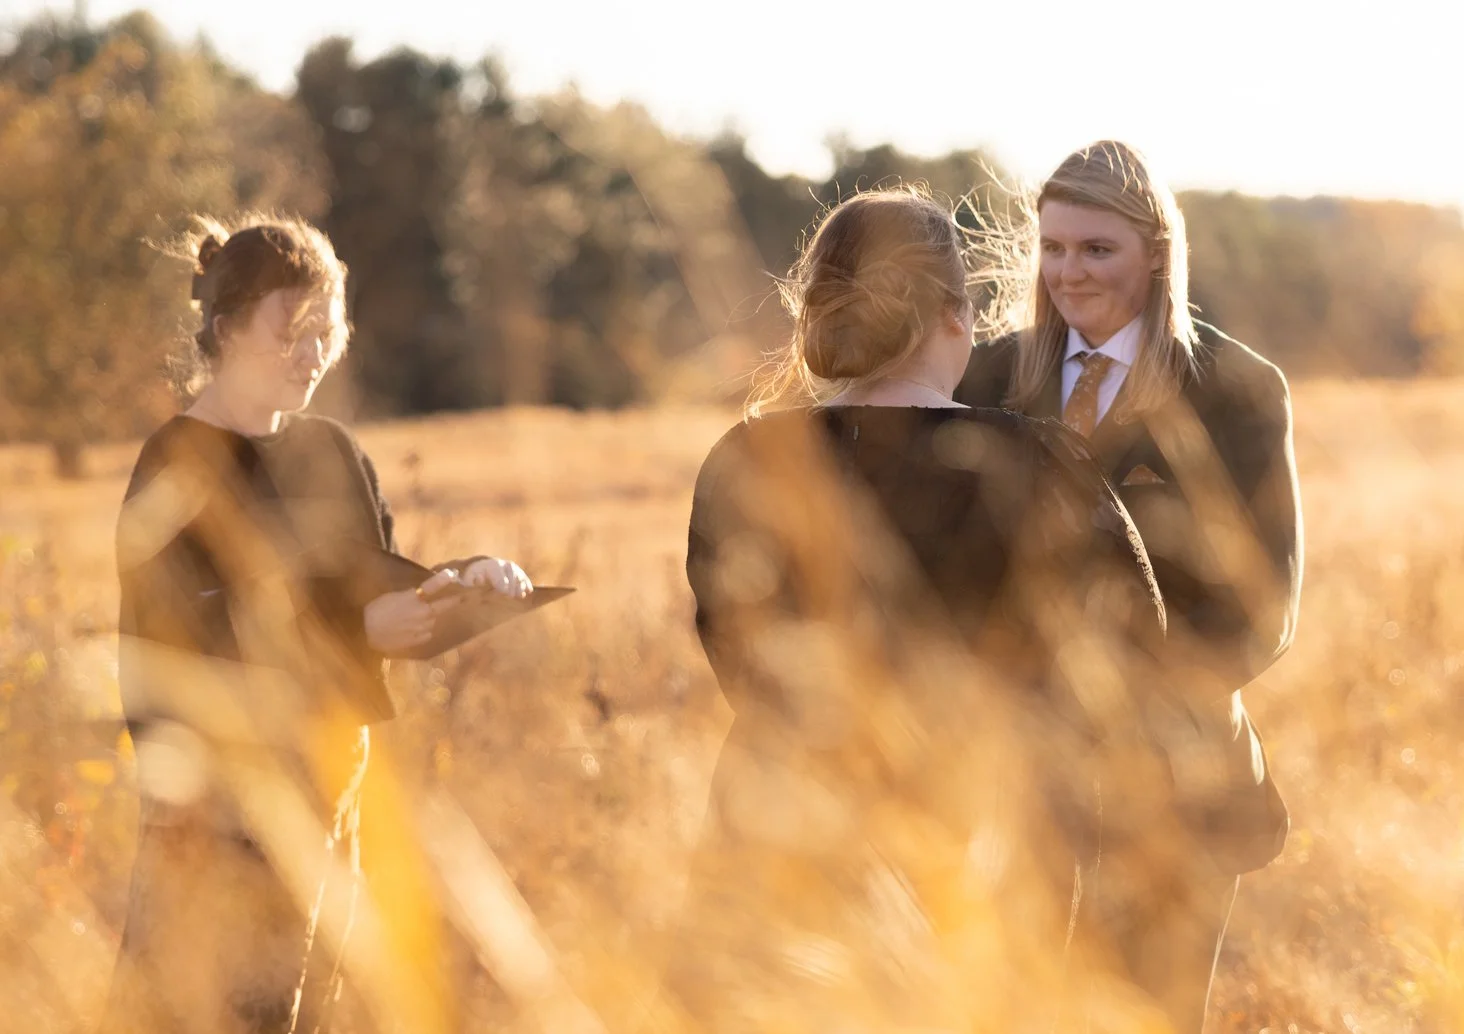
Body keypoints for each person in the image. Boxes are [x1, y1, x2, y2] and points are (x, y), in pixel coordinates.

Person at [671, 187, 1173, 1032]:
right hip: (994, 845)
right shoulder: (1043, 461)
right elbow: (1138, 656)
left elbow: (735, 650)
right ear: (958, 315)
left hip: (782, 824)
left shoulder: (748, 457)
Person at [104, 214, 532, 1034]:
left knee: (312, 1011)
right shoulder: (175, 466)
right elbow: (175, 647)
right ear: (226, 331)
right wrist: (361, 631)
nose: (312, 354)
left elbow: (369, 584)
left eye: (326, 332)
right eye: (290, 333)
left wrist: (455, 586)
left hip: (333, 794)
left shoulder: (334, 454)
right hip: (222, 815)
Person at [955, 140, 1303, 1031]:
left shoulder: (1239, 390)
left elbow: (1263, 609)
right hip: (1015, 772)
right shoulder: (987, 376)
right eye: (1056, 248)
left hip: (1175, 774)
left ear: (1156, 251)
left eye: (1097, 249)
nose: (1070, 273)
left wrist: (1120, 714)